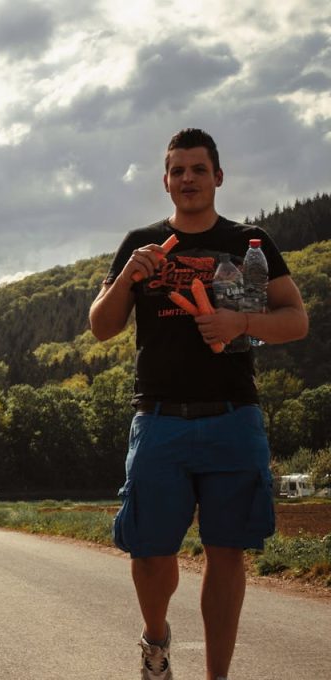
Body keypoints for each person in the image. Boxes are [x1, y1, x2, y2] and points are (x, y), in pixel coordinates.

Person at [89, 128, 309, 680]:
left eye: (198, 169)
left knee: (227, 550)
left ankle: (217, 676)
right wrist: (127, 279)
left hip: (233, 415)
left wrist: (241, 323)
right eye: (178, 170)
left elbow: (295, 319)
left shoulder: (250, 242)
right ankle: (156, 639)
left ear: (218, 176)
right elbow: (101, 327)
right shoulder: (141, 242)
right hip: (159, 418)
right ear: (166, 181)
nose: (188, 179)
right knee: (149, 550)